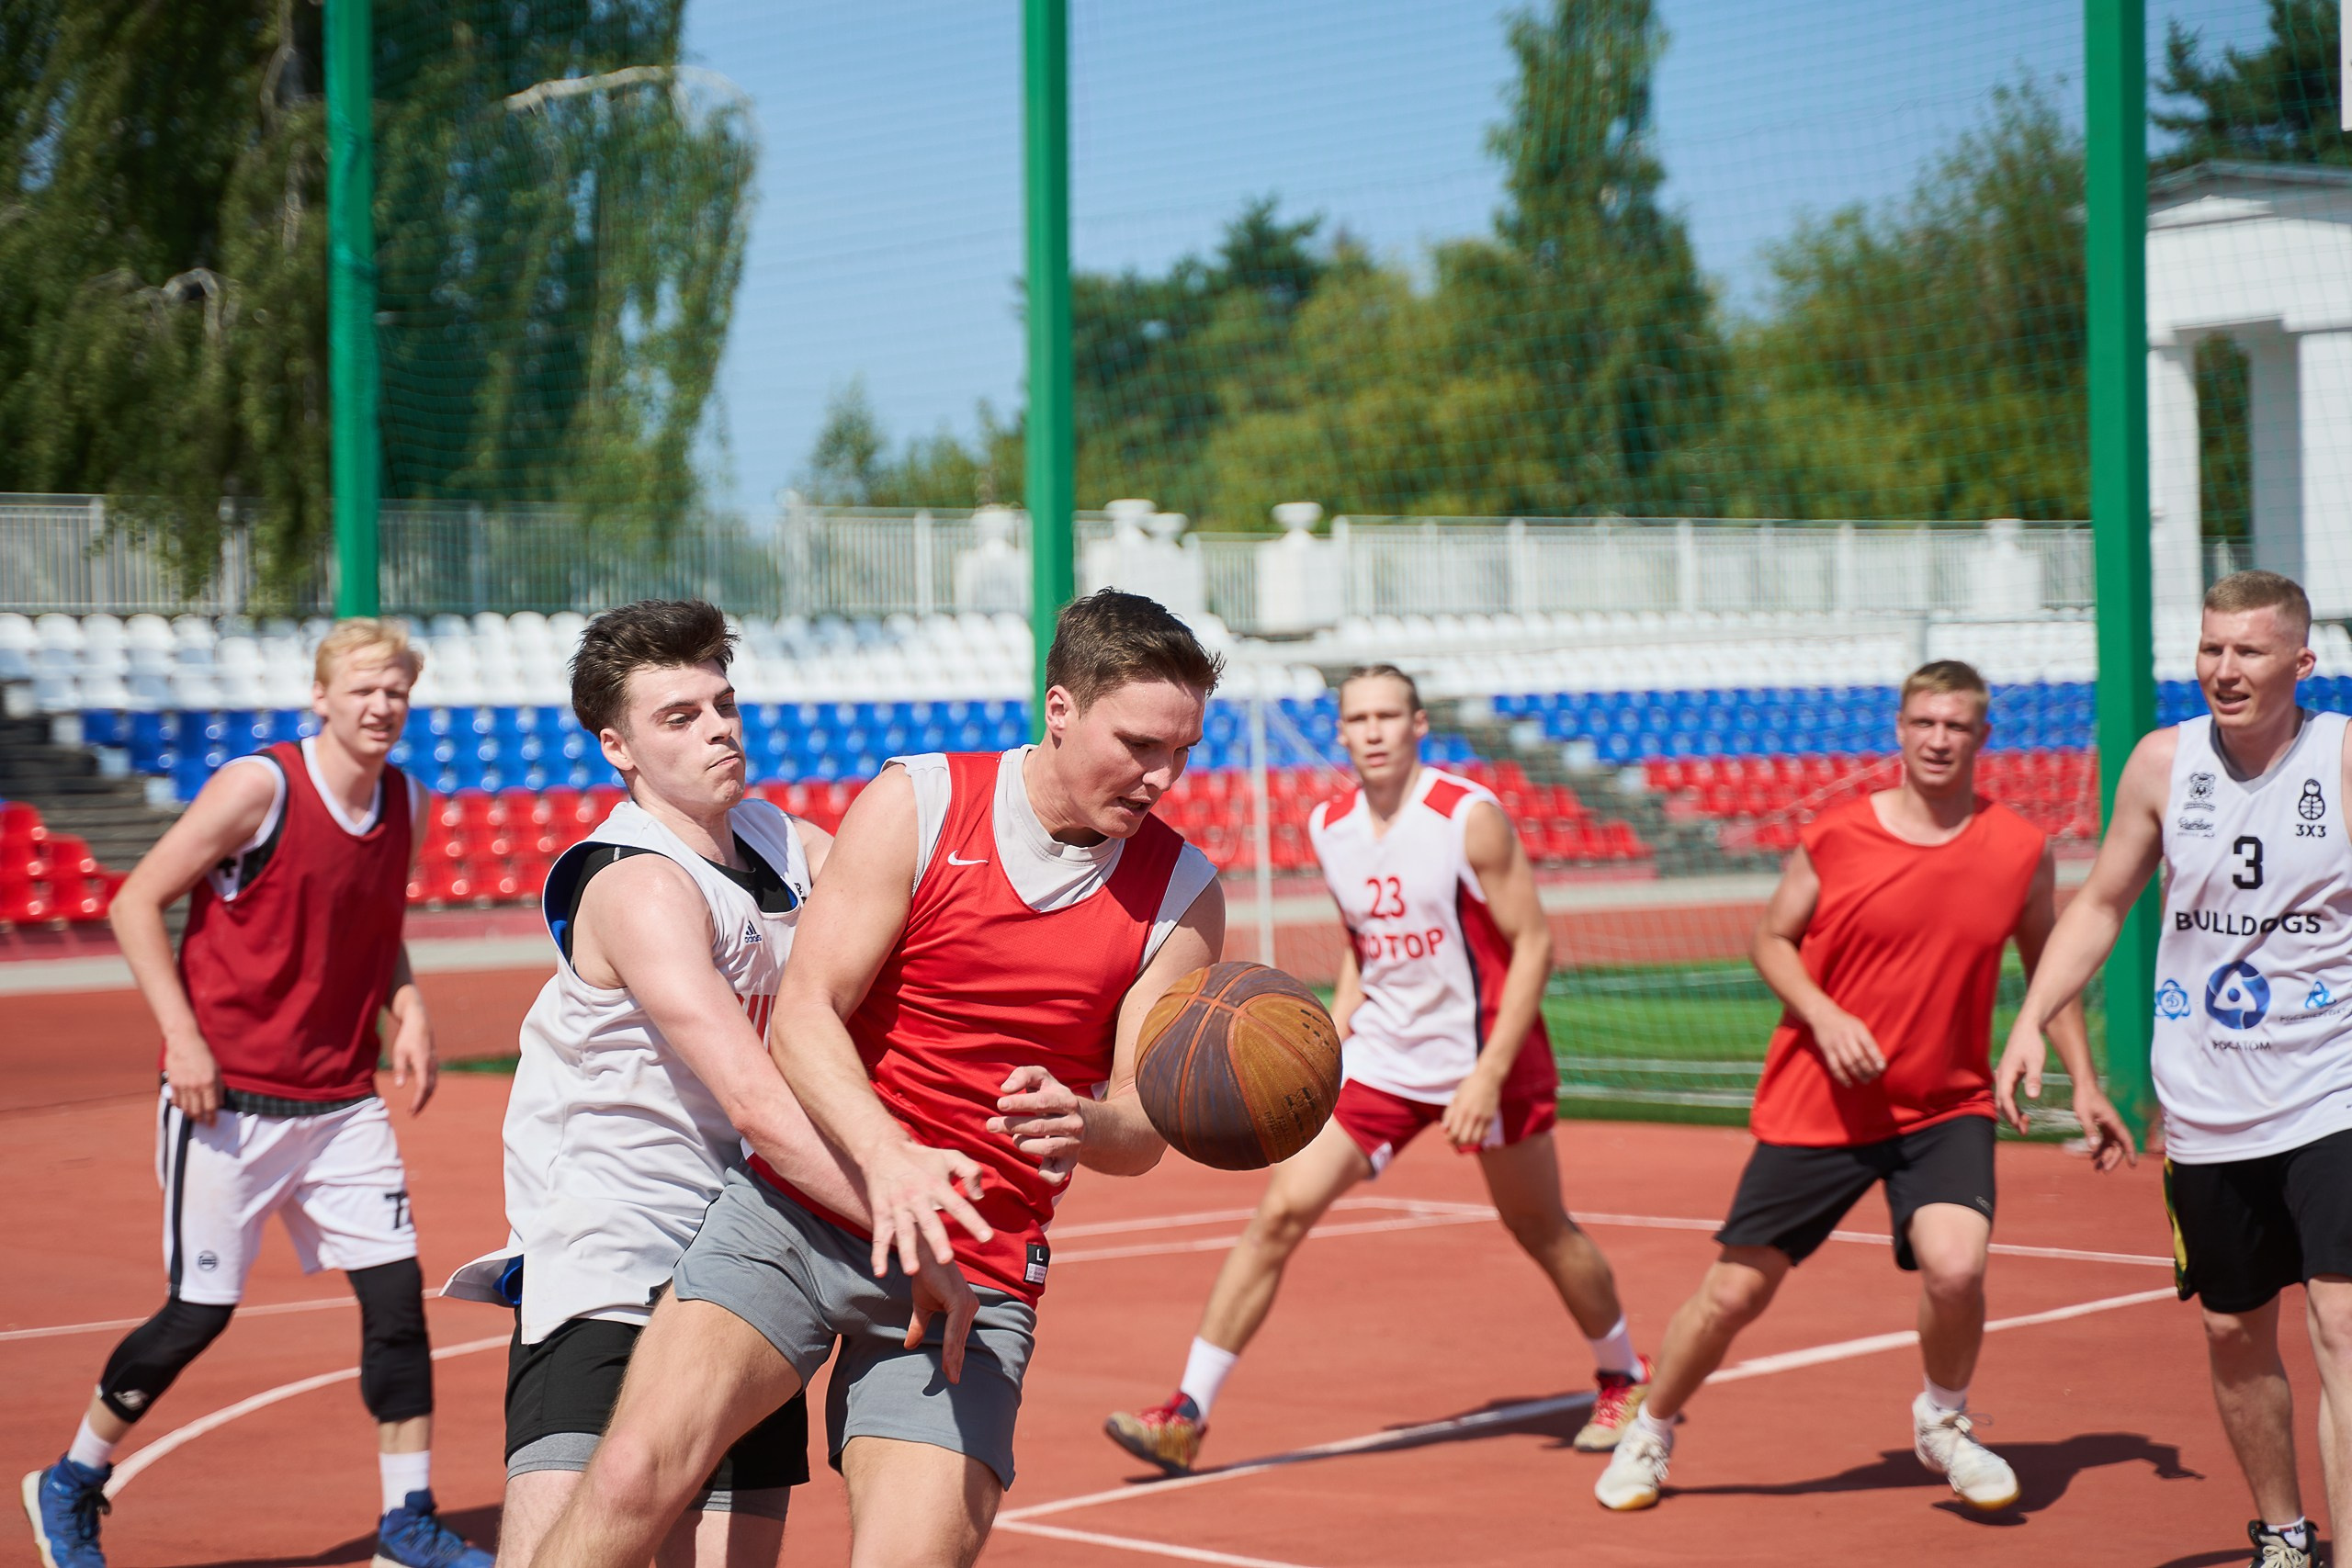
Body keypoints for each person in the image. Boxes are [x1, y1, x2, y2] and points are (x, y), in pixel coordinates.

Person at [527, 589, 1226, 1568]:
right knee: (635, 1474)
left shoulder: (1184, 893)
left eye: (1182, 751)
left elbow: (1140, 1130)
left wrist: (1088, 1122)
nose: (1163, 777)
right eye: (1140, 745)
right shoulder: (922, 801)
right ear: (1060, 709)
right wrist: (890, 1163)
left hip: (976, 1262)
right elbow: (805, 1015)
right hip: (799, 1219)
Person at [1594, 659, 2130, 1515]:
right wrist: (1824, 1012)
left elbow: (2047, 970)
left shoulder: (2020, 849)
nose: (1940, 738)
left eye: (1957, 724)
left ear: (1983, 738)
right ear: (1900, 730)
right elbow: (1772, 937)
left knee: (1957, 1268)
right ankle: (1650, 1428)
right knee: (1736, 1291)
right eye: (1925, 722)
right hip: (1822, 1100)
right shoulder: (1840, 833)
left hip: (1945, 1103)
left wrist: (2088, 1084)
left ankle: (1943, 1422)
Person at [22, 620, 492, 1568]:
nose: (381, 706)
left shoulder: (407, 798)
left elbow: (378, 922)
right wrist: (185, 1039)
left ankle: (408, 1518)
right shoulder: (260, 787)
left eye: (396, 690)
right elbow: (133, 901)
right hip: (226, 1100)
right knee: (197, 1315)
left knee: (397, 1305)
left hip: (341, 1102)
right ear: (319, 698)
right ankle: (71, 1478)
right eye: (362, 688)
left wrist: (410, 1010)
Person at [1104, 663, 1645, 1473]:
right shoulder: (1331, 826)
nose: (1375, 730)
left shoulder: (1469, 817)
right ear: (1344, 732)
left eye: (1390, 715)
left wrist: (1489, 1074)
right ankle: (1186, 1411)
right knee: (1280, 1213)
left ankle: (1624, 1375)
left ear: (1418, 724)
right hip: (1387, 1057)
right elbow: (1365, 947)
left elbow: (1534, 943)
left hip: (1484, 1053)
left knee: (1539, 1225)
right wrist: (1332, 1031)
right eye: (1359, 718)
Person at [438, 600, 883, 1566]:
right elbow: (752, 1095)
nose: (719, 726)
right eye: (678, 715)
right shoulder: (637, 884)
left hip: (749, 1251)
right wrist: (890, 1217)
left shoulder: (776, 835)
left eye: (722, 702)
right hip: (618, 1250)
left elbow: (908, 919)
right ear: (618, 747)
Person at [1998, 570, 2352, 1568]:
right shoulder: (2162, 763)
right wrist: (2030, 1019)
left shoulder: (2343, 758)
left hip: (2331, 1086)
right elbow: (2102, 904)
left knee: (2340, 1320)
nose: (2223, 670)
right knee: (2233, 1334)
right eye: (2210, 649)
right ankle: (2283, 1533)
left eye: (2247, 651)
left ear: (2299, 662)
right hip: (2203, 1100)